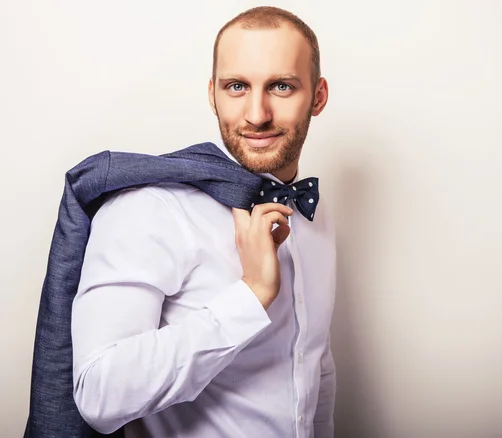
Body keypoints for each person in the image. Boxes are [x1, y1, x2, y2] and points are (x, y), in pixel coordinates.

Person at [70, 6, 337, 438]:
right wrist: (251, 297)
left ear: (318, 96)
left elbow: (314, 365)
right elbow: (97, 394)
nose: (257, 113)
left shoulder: (313, 211)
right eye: (236, 86)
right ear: (212, 93)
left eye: (282, 86)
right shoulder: (150, 209)